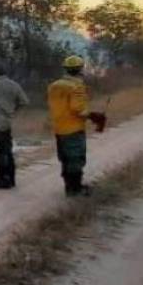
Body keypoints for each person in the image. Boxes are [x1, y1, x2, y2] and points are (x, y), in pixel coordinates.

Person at [47, 55, 106, 196]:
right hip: (73, 128)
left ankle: (69, 187)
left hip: (59, 127)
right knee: (76, 158)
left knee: (65, 158)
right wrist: (93, 116)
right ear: (80, 69)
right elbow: (77, 109)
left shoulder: (54, 85)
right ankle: (75, 189)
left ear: (66, 69)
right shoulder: (77, 86)